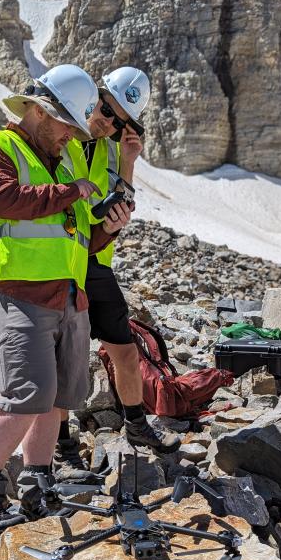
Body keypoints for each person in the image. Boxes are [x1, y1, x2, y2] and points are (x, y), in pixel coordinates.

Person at [0, 64, 132, 537]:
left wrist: (105, 230)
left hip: (69, 297)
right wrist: (72, 191)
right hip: (19, 294)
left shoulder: (65, 160)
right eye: (67, 125)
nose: (72, 136)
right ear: (39, 111)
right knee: (25, 396)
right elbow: (4, 199)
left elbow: (75, 238)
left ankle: (38, 482)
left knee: (58, 399)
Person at [54, 67, 180, 483]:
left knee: (124, 350)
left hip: (95, 263)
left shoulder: (111, 150)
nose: (107, 120)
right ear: (95, 96)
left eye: (118, 118)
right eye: (105, 108)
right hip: (58, 260)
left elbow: (120, 202)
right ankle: (61, 442)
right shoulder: (64, 134)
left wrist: (128, 162)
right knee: (64, 357)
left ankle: (136, 424)